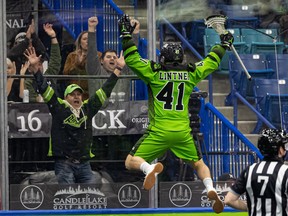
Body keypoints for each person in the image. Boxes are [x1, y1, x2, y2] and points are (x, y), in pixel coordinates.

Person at [117, 14, 234, 214]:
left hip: (159, 131)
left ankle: (148, 169)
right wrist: (223, 44)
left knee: (130, 161)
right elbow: (211, 62)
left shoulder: (153, 72)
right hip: (182, 132)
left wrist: (126, 34)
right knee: (199, 164)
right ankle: (211, 188)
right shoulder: (190, 73)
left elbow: (131, 58)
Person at [24, 44, 123, 184]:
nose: (77, 97)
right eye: (72, 95)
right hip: (64, 163)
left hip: (84, 164)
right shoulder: (58, 107)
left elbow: (105, 90)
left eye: (79, 94)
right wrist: (36, 70)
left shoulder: (88, 108)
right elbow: (44, 88)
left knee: (90, 197)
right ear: (66, 98)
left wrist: (118, 69)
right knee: (66, 197)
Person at [224, 128, 288, 215]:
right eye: (284, 146)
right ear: (280, 150)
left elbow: (228, 200)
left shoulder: (249, 170)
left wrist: (251, 207)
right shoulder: (285, 171)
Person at [91, 16, 140, 102]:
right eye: (108, 57)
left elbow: (131, 53)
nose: (112, 59)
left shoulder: (124, 72)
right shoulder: (96, 72)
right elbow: (91, 53)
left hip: (123, 114)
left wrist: (135, 32)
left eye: (115, 57)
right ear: (101, 61)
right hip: (99, 114)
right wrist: (91, 28)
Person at [63, 16, 102, 100]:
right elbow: (65, 74)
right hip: (73, 94)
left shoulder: (98, 55)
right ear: (80, 42)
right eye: (85, 39)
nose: (87, 41)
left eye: (89, 39)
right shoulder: (72, 56)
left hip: (90, 94)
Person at [7, 19, 47, 102]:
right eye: (20, 44)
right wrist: (26, 41)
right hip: (14, 101)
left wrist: (33, 36)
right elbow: (10, 55)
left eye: (26, 44)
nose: (24, 47)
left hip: (33, 99)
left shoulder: (34, 58)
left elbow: (43, 53)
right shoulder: (14, 59)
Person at [24, 22, 61, 102]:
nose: (38, 66)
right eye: (34, 65)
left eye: (40, 64)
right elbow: (33, 100)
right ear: (29, 69)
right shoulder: (28, 82)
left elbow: (56, 59)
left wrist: (53, 37)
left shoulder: (49, 76)